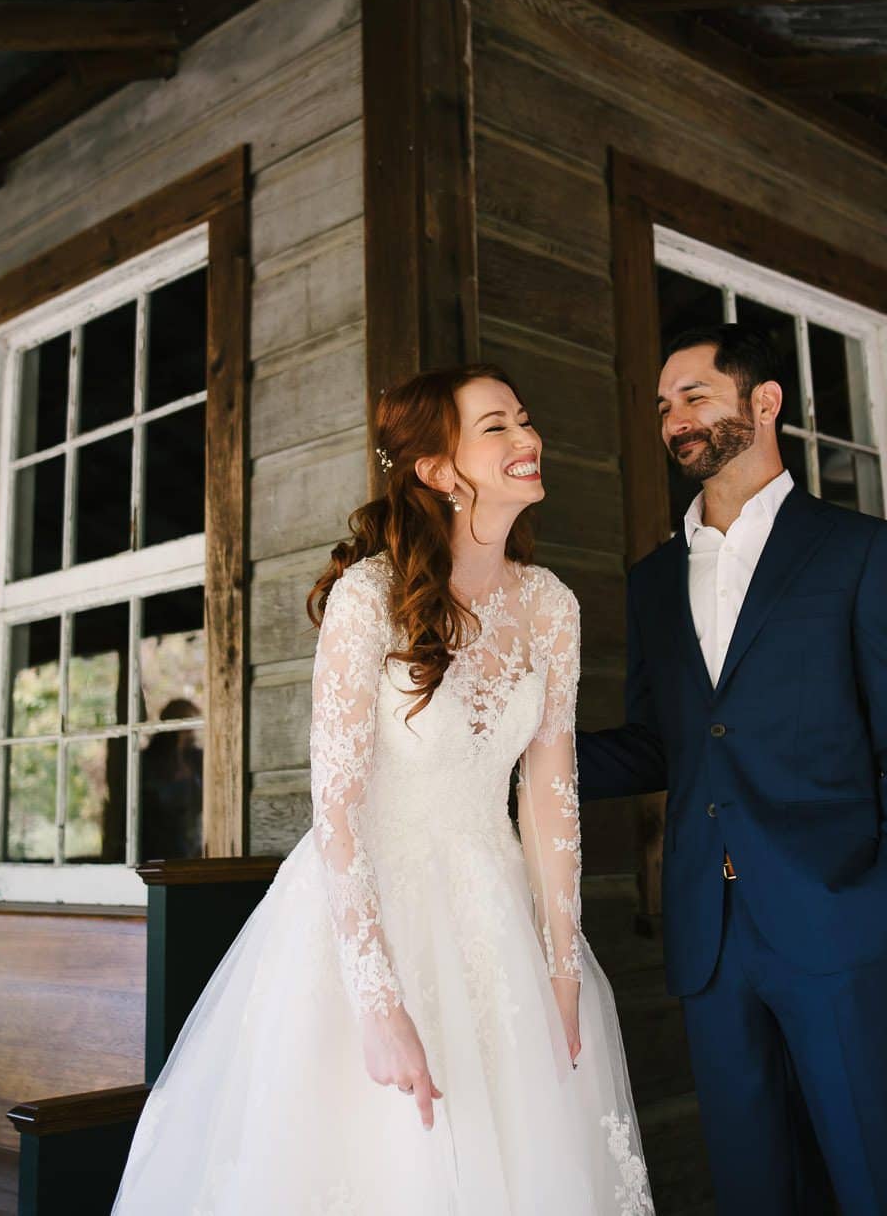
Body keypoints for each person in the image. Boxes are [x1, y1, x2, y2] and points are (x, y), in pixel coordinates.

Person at [112, 363, 654, 1215]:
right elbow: (336, 806)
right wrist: (376, 1000)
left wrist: (560, 965)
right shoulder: (369, 595)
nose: (528, 437)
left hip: (496, 910)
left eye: (525, 418)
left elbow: (550, 792)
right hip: (370, 911)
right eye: (498, 426)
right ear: (438, 469)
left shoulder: (552, 606)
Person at [578, 323, 887, 1215]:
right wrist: (514, 757)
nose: (674, 420)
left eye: (694, 396)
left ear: (765, 402)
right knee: (755, 1189)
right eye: (663, 407)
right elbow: (662, 740)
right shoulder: (653, 579)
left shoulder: (860, 549)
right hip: (710, 939)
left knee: (882, 1182)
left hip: (840, 917)